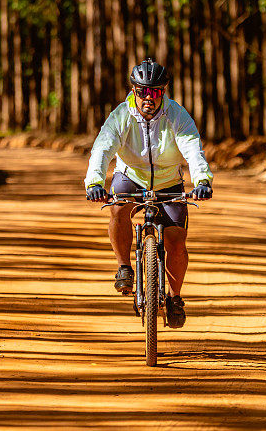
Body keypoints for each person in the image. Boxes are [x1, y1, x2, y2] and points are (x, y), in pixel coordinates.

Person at [84, 58, 213, 329]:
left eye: (154, 92)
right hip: (130, 176)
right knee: (118, 208)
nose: (148, 98)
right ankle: (124, 267)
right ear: (133, 91)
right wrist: (95, 182)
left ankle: (175, 298)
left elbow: (192, 149)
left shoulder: (177, 115)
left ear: (163, 92)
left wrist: (201, 180)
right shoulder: (121, 115)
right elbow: (102, 148)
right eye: (142, 91)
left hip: (168, 181)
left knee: (176, 243)